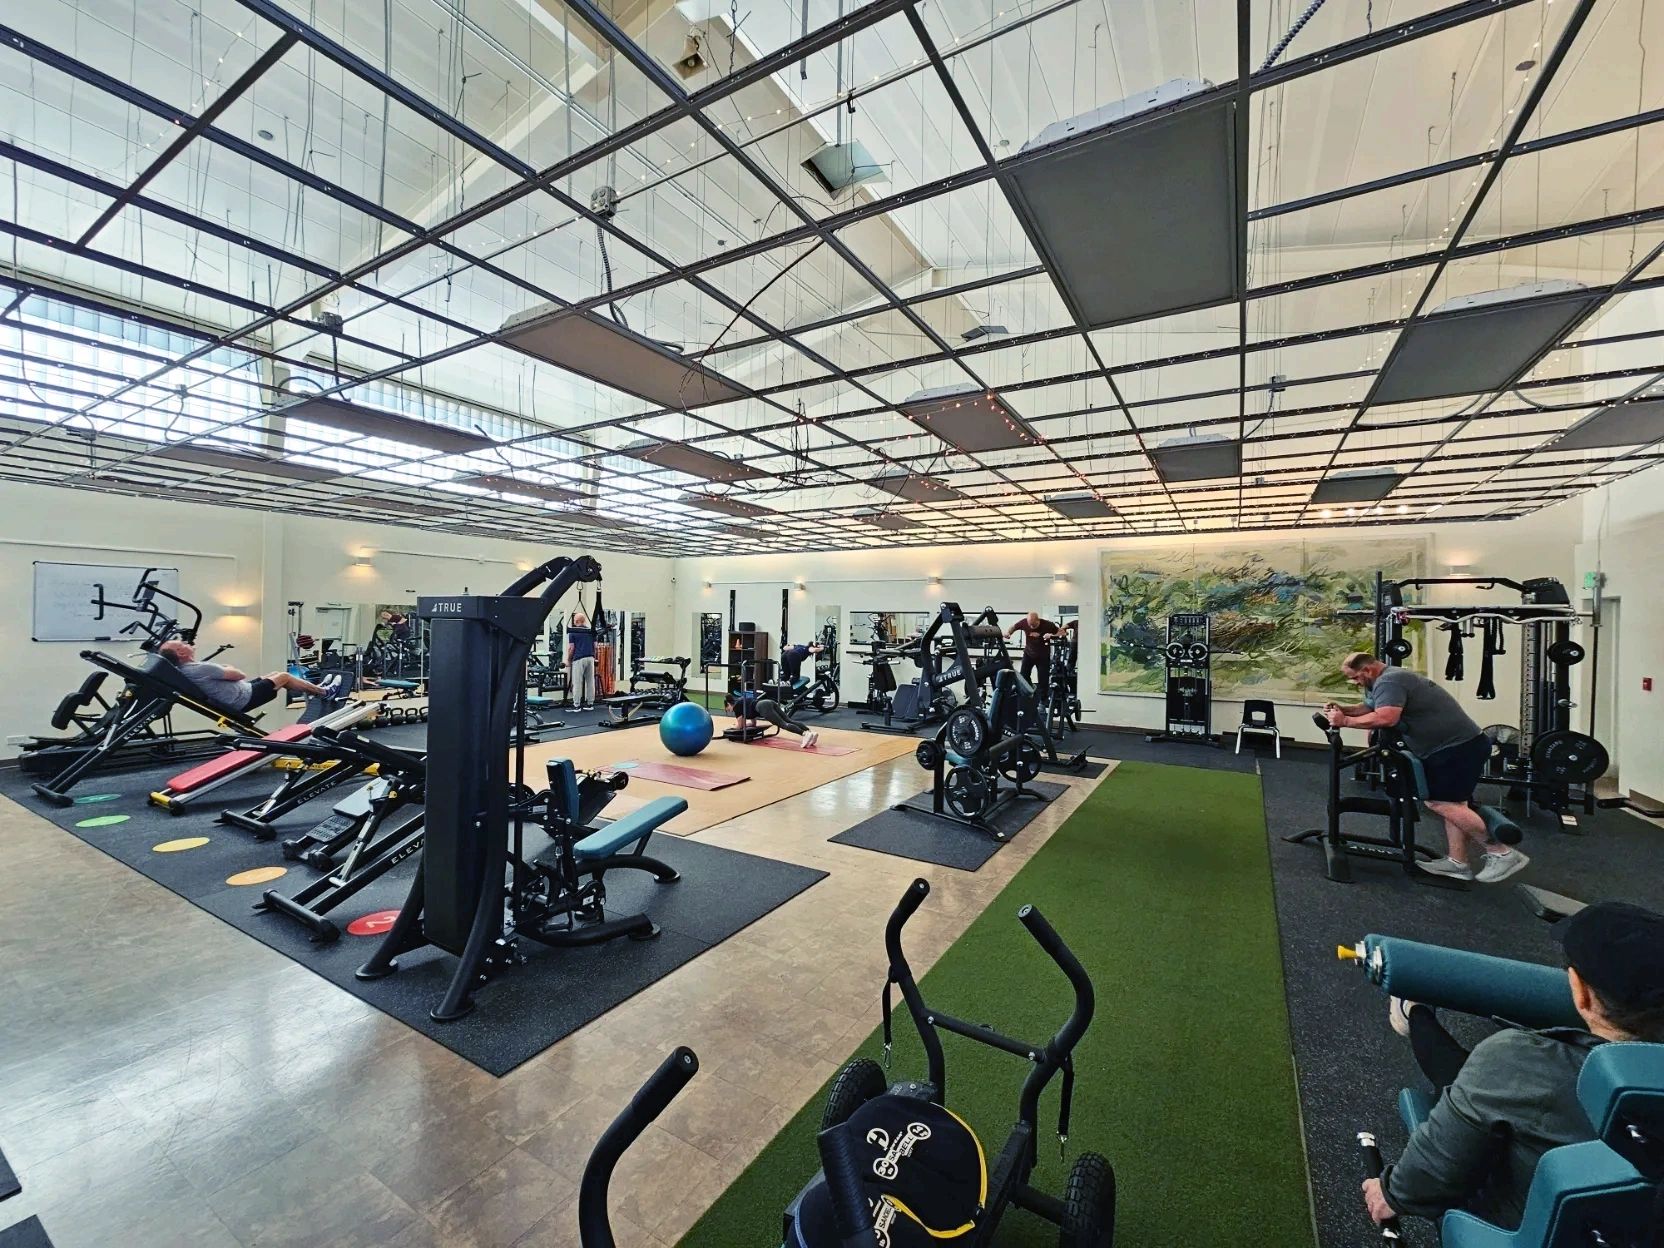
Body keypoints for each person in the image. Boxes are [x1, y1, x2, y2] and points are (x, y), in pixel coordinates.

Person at [1363, 900, 1664, 1230]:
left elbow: (1434, 1172)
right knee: (1490, 1083)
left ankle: (1415, 1013)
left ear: (1581, 994)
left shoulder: (1523, 1062)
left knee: (1486, 1079)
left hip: (1516, 1223)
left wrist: (1391, 1193)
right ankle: (1416, 1014)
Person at [1325, 651, 1528, 884]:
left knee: (1439, 802)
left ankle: (1501, 852)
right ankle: (1458, 863)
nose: (1355, 682)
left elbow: (1386, 718)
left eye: (1355, 678)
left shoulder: (1391, 680)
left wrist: (1346, 722)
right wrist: (1343, 709)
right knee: (1454, 804)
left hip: (1457, 748)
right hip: (1455, 746)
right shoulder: (1382, 682)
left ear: (1367, 670)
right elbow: (1368, 707)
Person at [158, 640, 338, 714]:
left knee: (274, 675)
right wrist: (226, 667)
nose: (187, 643)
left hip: (240, 693)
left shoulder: (185, 670)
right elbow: (239, 675)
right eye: (182, 643)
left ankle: (315, 689)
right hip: (243, 698)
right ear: (181, 653)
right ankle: (324, 692)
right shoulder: (200, 668)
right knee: (283, 676)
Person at [1006, 611, 1062, 696]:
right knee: (1023, 676)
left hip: (1043, 657)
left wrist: (1051, 635)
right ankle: (1031, 690)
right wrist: (1008, 633)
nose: (1031, 627)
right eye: (1030, 625)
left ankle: (1042, 703)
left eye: (1033, 625)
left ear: (1038, 620)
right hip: (1028, 654)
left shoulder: (1047, 625)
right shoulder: (1024, 622)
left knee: (1043, 681)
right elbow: (1013, 627)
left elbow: (1062, 632)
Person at [568, 611, 597, 710]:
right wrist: (594, 657)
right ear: (584, 621)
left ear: (576, 621)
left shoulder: (573, 631)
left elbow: (571, 648)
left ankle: (576, 705)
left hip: (579, 659)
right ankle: (590, 704)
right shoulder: (591, 631)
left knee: (577, 682)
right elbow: (595, 646)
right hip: (590, 658)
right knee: (590, 681)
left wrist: (568, 660)